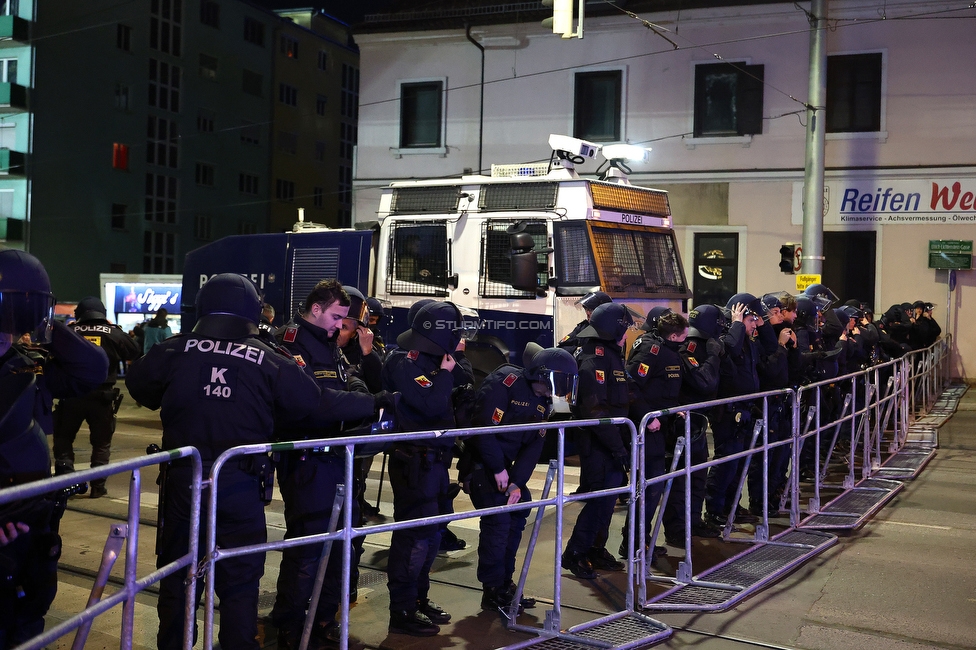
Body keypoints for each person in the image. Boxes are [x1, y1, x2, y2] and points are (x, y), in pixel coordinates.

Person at [126, 274, 325, 650]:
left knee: (179, 579)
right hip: (241, 486)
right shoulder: (268, 357)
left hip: (184, 485)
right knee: (240, 582)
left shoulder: (172, 350)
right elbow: (306, 403)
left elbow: (140, 388)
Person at [270, 280, 395, 650]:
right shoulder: (288, 343)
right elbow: (313, 402)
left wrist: (358, 397)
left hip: (338, 457)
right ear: (318, 307)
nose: (341, 326)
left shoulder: (325, 343)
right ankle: (290, 625)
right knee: (308, 547)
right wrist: (366, 404)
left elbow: (349, 381)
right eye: (338, 317)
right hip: (307, 461)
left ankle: (323, 618)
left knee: (341, 546)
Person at [0, 249, 109, 649]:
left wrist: (48, 326)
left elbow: (92, 370)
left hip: (28, 514)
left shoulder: (29, 365)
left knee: (28, 608)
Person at [463, 343, 577, 613]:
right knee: (498, 524)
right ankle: (491, 589)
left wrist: (517, 481)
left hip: (509, 469)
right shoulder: (505, 382)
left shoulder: (544, 401)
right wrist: (497, 469)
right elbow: (483, 429)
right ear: (541, 374)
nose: (560, 388)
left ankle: (505, 583)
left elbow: (533, 445)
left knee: (516, 521)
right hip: (483, 463)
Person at [381, 301, 467, 636]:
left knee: (431, 539)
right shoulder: (407, 361)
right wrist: (445, 374)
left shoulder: (436, 360)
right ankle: (401, 609)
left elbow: (460, 390)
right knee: (413, 539)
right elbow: (430, 405)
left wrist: (450, 369)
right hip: (414, 463)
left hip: (435, 464)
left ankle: (418, 600)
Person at [561, 302, 633, 580]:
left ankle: (595, 548)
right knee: (599, 502)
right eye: (625, 328)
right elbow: (595, 409)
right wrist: (617, 448)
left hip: (611, 441)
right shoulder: (594, 360)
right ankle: (575, 553)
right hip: (600, 445)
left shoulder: (609, 354)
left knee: (608, 498)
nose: (628, 334)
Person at [52, 297, 140, 498]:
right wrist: (114, 329)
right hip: (102, 398)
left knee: (63, 439)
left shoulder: (71, 332)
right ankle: (98, 487)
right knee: (101, 443)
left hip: (72, 395)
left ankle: (66, 482)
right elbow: (134, 351)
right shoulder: (113, 332)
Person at [624, 310, 689, 558]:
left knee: (654, 487)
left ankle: (641, 540)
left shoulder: (663, 349)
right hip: (647, 428)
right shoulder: (650, 351)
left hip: (660, 424)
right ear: (673, 335)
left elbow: (661, 388)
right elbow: (631, 385)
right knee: (648, 488)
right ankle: (634, 542)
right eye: (682, 337)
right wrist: (646, 416)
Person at [557, 290, 612, 355]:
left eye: (591, 309)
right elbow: (561, 348)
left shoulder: (613, 330)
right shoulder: (582, 328)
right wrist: (578, 351)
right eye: (586, 309)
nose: (587, 313)